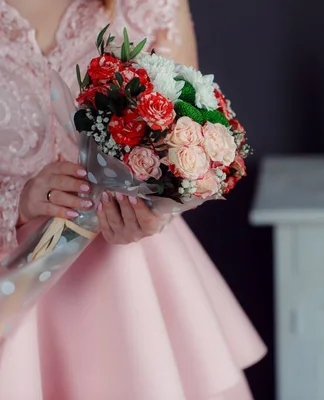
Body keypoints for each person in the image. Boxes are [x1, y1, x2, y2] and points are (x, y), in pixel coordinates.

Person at [0, 0, 267, 398]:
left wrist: (155, 215)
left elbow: (182, 152)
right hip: (12, 280)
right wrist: (16, 203)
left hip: (131, 278)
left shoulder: (150, 7)